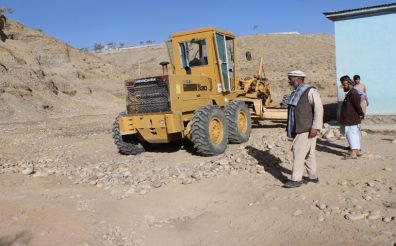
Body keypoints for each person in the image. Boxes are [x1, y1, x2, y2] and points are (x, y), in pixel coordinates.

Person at [283, 70, 324, 188]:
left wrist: (316, 127)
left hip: (306, 128)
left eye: (291, 79)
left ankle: (296, 180)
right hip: (301, 127)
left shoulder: (310, 91)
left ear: (298, 79)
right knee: (309, 153)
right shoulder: (296, 92)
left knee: (298, 152)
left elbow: (319, 109)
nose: (289, 81)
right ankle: (313, 176)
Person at [339, 75, 365, 159]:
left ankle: (353, 154)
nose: (343, 86)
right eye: (342, 85)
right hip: (349, 119)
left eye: (344, 85)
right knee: (353, 134)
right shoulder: (350, 93)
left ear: (350, 83)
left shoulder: (353, 93)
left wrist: (361, 114)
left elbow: (357, 106)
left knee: (351, 134)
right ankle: (357, 151)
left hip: (351, 119)